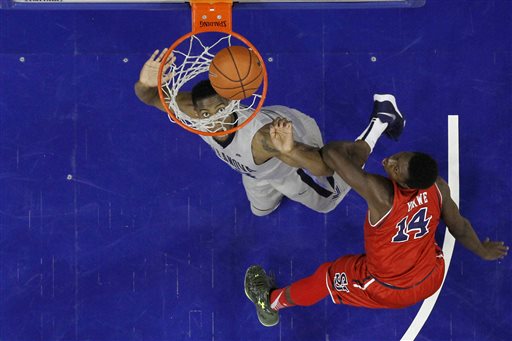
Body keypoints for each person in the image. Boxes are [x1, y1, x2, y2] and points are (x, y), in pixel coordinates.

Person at [244, 141, 509, 326]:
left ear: (404, 182)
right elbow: (459, 226)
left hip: (386, 288)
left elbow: (332, 154)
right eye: (399, 156)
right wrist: (483, 251)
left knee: (327, 276)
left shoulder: (381, 195)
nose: (391, 161)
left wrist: (362, 146)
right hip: (431, 275)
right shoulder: (438, 187)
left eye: (395, 167)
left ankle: (270, 303)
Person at [135, 48, 404, 216]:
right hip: (256, 171)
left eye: (219, 110)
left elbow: (324, 168)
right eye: (205, 115)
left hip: (290, 145)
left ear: (232, 103)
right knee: (260, 211)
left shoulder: (262, 139)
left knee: (329, 201)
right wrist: (145, 83)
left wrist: (289, 149)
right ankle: (269, 186)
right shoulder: (193, 113)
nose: (213, 121)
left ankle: (380, 120)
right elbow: (148, 97)